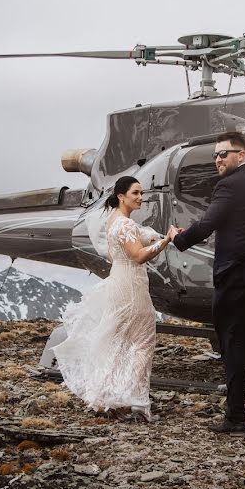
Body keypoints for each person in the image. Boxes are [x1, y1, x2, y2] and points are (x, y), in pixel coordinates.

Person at [172, 132, 245, 433]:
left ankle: (236, 418)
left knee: (233, 345)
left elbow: (208, 223)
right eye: (215, 156)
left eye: (223, 154)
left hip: (236, 277)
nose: (217, 160)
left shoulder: (228, 185)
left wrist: (179, 238)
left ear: (241, 153)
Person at [53, 175, 177, 422]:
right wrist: (165, 241)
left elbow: (115, 255)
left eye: (141, 193)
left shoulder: (113, 222)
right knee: (143, 341)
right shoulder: (126, 225)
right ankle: (138, 402)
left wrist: (149, 237)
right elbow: (139, 256)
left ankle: (109, 398)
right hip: (131, 284)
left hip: (118, 279)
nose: (140, 197)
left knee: (118, 341)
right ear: (121, 196)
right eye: (135, 193)